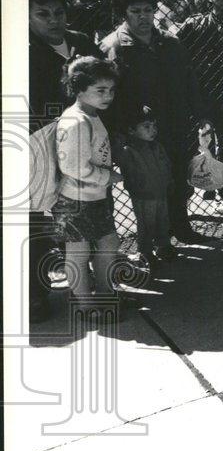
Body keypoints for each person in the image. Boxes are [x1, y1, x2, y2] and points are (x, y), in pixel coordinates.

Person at [101, 0, 208, 247]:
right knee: (148, 188)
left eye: (148, 10)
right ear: (124, 13)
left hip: (174, 123)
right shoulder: (114, 47)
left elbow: (189, 81)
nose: (143, 16)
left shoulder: (170, 43)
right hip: (139, 132)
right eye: (135, 11)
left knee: (179, 179)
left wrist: (200, 115)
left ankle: (180, 227)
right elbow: (109, 95)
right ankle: (152, 243)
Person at [28, 0, 102, 322]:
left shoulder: (82, 42)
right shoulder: (22, 51)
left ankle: (88, 289)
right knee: (39, 220)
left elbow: (107, 81)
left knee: (88, 215)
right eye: (43, 14)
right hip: (41, 143)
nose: (54, 20)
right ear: (28, 17)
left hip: (84, 142)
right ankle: (35, 295)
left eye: (58, 12)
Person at [51, 57, 126, 307]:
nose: (109, 96)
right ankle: (84, 304)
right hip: (75, 199)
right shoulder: (76, 121)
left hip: (94, 196)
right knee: (78, 253)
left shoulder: (90, 115)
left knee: (108, 242)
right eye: (100, 90)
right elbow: (73, 167)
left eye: (112, 90)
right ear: (79, 89)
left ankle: (105, 293)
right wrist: (109, 177)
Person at [176, 0, 223, 207]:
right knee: (198, 144)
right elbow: (179, 55)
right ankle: (196, 189)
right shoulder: (194, 24)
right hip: (199, 93)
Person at [113, 104, 174, 267]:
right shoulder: (129, 150)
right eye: (146, 126)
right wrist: (138, 189)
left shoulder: (157, 147)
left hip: (160, 191)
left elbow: (166, 165)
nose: (152, 130)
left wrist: (168, 181)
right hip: (144, 195)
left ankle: (163, 245)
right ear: (132, 130)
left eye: (154, 126)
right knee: (146, 224)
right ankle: (145, 251)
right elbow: (129, 173)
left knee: (163, 220)